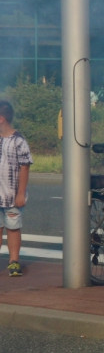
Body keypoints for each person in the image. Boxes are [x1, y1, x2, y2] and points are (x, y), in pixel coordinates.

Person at [0, 100, 32, 277]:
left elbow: (25, 166)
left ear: (1, 119)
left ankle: (13, 260)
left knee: (12, 227)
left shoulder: (18, 141)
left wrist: (21, 193)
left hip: (12, 195)